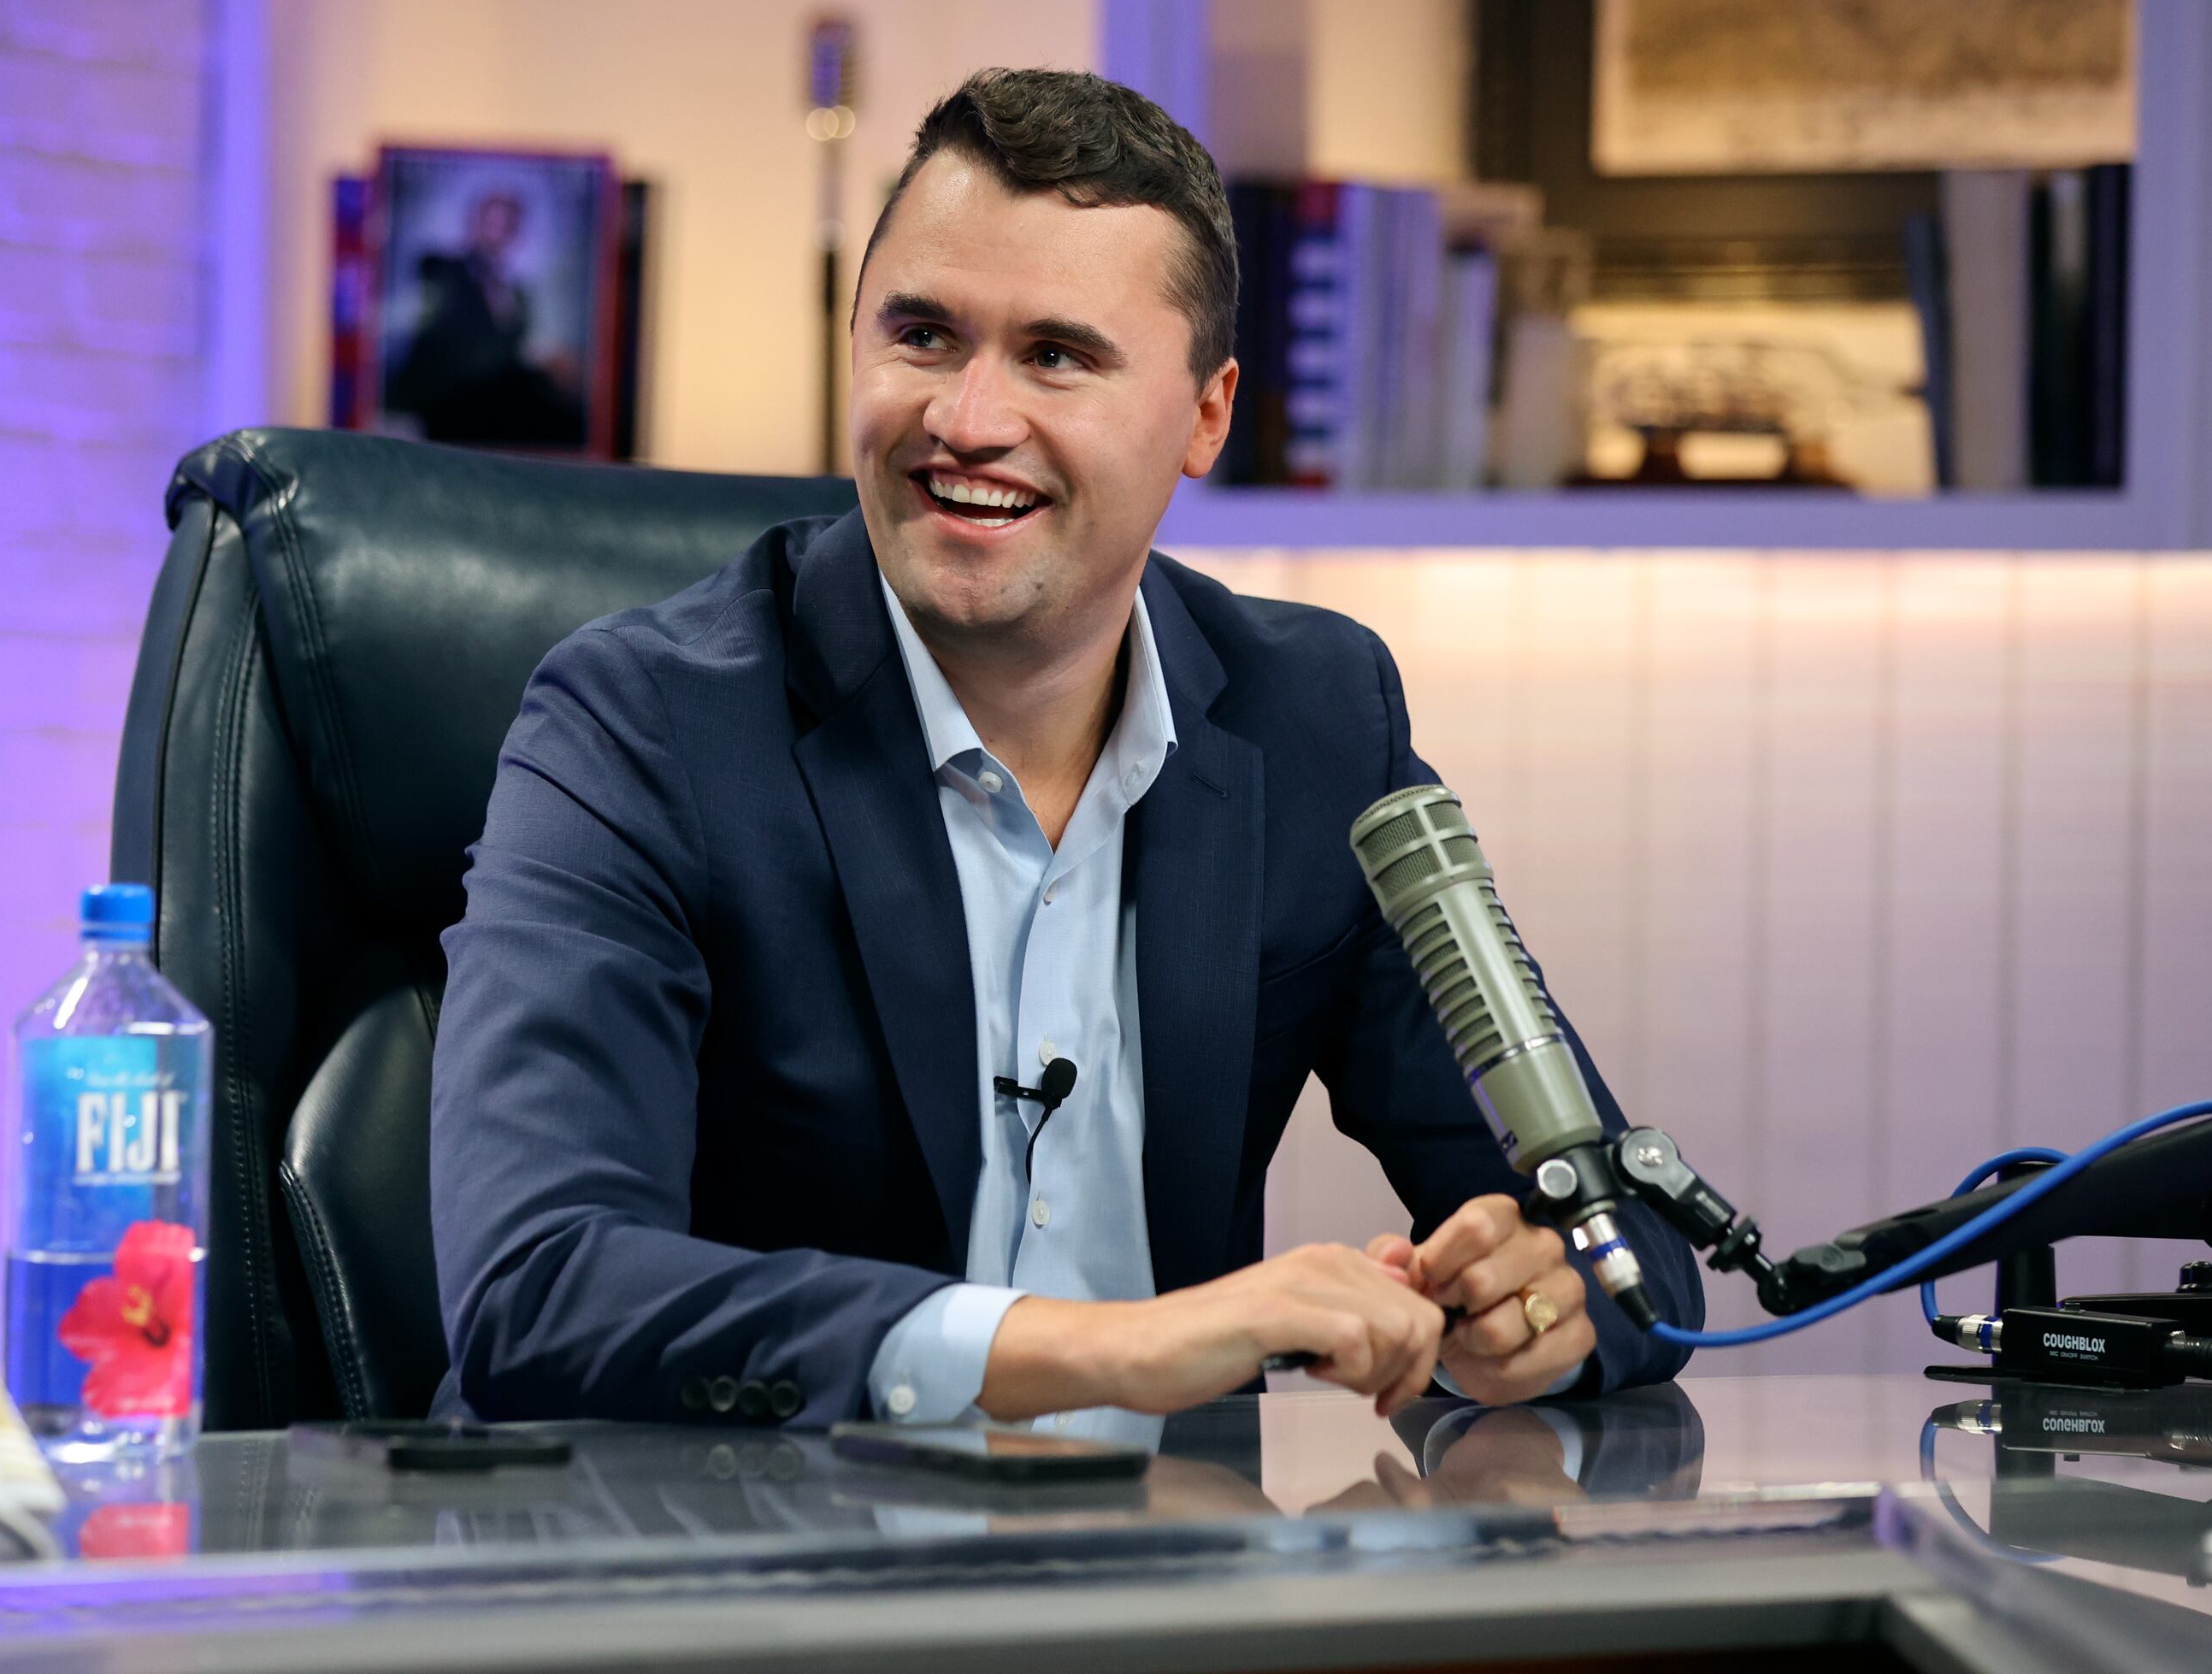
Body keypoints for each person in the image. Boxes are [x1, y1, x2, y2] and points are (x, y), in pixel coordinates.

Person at [428, 69, 1701, 1435]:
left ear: (1206, 414)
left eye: (1057, 355)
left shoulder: (1317, 719)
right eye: (923, 334)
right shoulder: (640, 725)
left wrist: (1539, 1310)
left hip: (1157, 1594)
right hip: (735, 1588)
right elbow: (540, 1290)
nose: (969, 421)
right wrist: (1107, 1348)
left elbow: (1622, 1242)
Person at [385, 191, 586, 449]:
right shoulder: (443, 270)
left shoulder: (517, 293)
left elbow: (513, 349)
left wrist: (548, 361)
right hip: (445, 404)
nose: (497, 234)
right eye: (491, 224)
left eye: (506, 226)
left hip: (491, 410)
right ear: (474, 224)